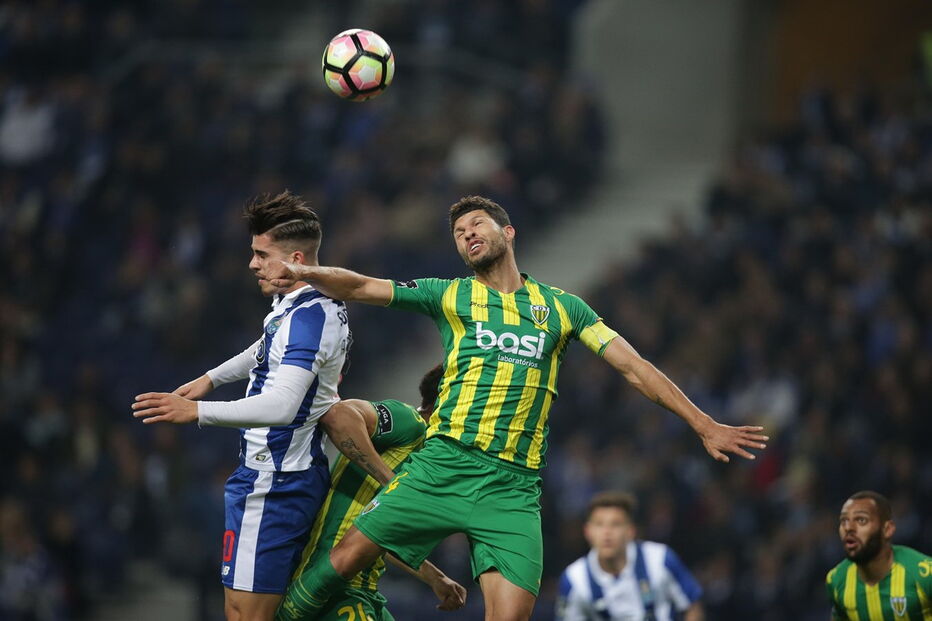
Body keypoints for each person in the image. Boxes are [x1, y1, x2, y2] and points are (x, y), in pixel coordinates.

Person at [266, 195, 768, 620]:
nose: (466, 234)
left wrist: (703, 424)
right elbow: (359, 285)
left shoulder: (563, 308)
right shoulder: (450, 296)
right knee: (349, 553)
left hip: (513, 487)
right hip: (443, 464)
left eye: (476, 224)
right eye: (459, 232)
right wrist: (305, 272)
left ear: (507, 231)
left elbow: (633, 366)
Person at [132, 191, 351, 621]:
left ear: (296, 258)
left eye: (261, 254)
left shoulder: (309, 318)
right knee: (238, 608)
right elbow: (268, 347)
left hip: (276, 485)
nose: (252, 264)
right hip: (268, 478)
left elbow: (284, 405)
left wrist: (199, 412)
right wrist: (211, 378)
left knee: (247, 615)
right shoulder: (302, 306)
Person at [278, 364, 466, 620]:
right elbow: (339, 415)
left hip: (363, 589)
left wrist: (434, 577)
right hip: (334, 584)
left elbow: (379, 531)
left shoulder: (430, 456)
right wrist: (391, 484)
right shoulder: (410, 423)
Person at [556, 491, 703, 621]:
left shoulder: (660, 559)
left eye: (616, 524)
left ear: (630, 531)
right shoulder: (574, 579)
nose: (607, 532)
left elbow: (692, 606)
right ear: (587, 532)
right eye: (599, 524)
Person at [826, 490, 932, 620]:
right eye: (844, 521)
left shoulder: (924, 575)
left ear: (887, 529)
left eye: (861, 520)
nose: (848, 528)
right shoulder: (837, 580)